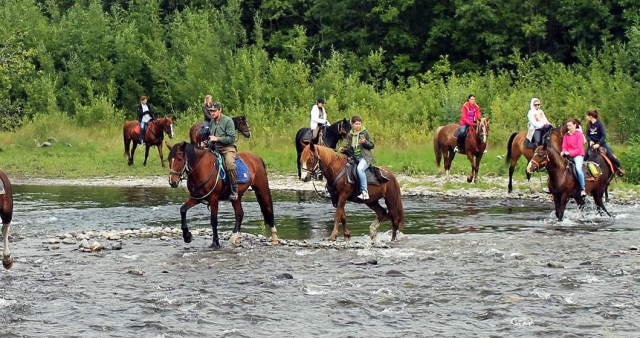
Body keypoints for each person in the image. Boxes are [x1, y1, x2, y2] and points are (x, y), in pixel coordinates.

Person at [207, 102, 239, 201]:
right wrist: (207, 142)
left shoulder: (228, 121)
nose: (212, 113)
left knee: (229, 163)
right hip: (214, 148)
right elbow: (212, 137)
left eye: (214, 111)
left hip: (227, 148)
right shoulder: (212, 122)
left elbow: (231, 139)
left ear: (220, 110)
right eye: (210, 111)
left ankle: (234, 189)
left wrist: (217, 139)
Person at [342, 115, 375, 200]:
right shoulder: (350, 134)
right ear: (352, 124)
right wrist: (344, 149)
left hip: (365, 157)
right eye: (356, 124)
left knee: (360, 169)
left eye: (359, 124)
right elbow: (349, 146)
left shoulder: (365, 132)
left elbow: (372, 145)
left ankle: (365, 192)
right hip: (354, 157)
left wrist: (365, 142)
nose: (358, 126)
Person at [585, 109, 625, 176]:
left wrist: (598, 144)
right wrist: (590, 141)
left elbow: (603, 136)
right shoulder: (589, 125)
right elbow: (588, 135)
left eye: (587, 116)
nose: (586, 117)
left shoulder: (600, 124)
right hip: (592, 145)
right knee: (584, 157)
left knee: (611, 156)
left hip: (601, 144)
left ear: (591, 116)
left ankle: (619, 168)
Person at [561, 118, 587, 197]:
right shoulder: (566, 135)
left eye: (570, 126)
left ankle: (583, 188)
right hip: (567, 155)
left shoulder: (579, 135)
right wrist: (563, 151)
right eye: (568, 126)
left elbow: (579, 148)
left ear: (575, 125)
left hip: (578, 155)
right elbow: (564, 146)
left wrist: (570, 152)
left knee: (578, 169)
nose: (569, 127)